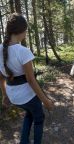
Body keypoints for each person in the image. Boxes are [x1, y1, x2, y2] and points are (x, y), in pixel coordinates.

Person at [0, 13, 53, 144]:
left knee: (29, 113)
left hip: (13, 97)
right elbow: (30, 80)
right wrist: (46, 101)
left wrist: (5, 95)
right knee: (39, 118)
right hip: (26, 96)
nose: (26, 34)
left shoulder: (0, 49)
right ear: (21, 31)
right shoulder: (23, 51)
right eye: (26, 31)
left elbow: (1, 77)